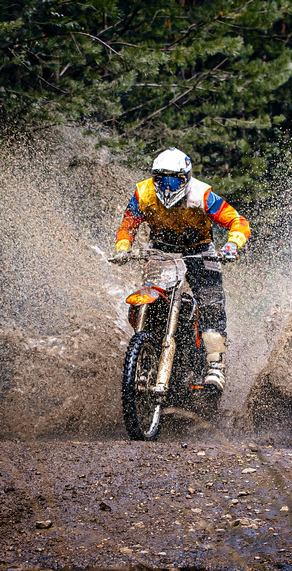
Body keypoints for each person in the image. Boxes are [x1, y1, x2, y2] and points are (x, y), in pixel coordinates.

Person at [112, 147, 250, 391]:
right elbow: (128, 224)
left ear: (186, 178)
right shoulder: (143, 193)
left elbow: (237, 220)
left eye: (174, 179)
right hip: (161, 250)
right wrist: (123, 248)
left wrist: (231, 245)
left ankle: (215, 365)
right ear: (154, 177)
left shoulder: (202, 194)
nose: (167, 186)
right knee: (146, 296)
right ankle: (145, 347)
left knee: (211, 303)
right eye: (161, 179)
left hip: (200, 249)